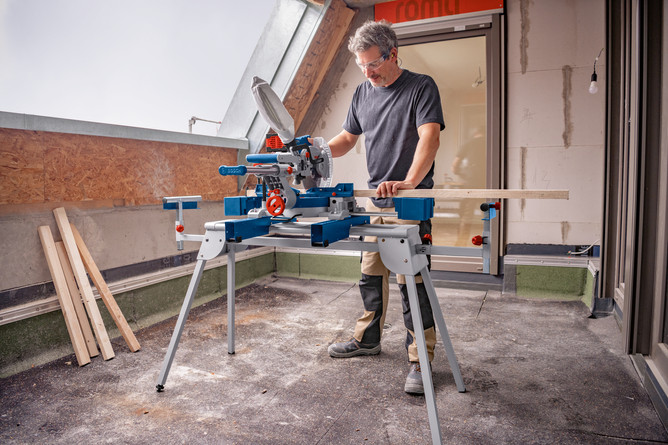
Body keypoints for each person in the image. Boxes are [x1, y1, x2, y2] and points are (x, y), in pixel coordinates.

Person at [325, 20, 445, 395]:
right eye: (362, 66)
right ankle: (368, 340)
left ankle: (420, 359)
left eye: (373, 64)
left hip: (411, 201)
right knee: (370, 275)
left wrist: (409, 182)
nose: (368, 72)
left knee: (412, 282)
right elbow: (346, 138)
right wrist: (311, 153)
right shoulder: (363, 92)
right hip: (378, 202)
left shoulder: (420, 87)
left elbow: (430, 135)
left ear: (393, 53)